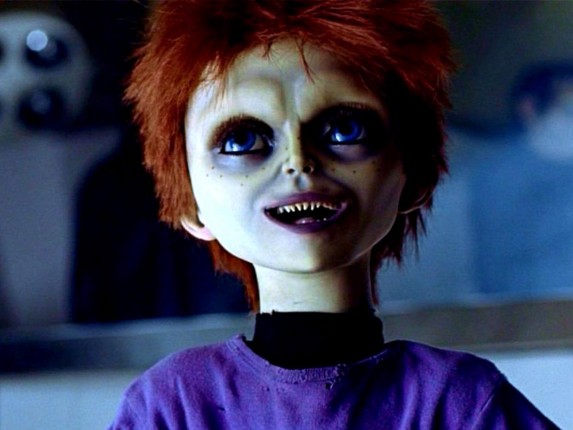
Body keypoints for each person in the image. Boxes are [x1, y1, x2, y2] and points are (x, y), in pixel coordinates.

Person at [110, 1, 559, 428]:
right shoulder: (173, 404)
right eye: (241, 140)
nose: (298, 162)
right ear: (189, 201)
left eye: (345, 129)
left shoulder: (461, 401)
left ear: (413, 176)